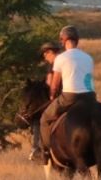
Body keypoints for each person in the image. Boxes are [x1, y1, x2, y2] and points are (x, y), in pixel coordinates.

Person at [40, 26, 96, 160]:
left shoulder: (61, 58)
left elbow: (54, 85)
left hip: (70, 96)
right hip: (90, 97)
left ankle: (46, 152)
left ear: (63, 40)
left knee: (45, 119)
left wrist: (53, 96)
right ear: (77, 40)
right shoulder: (88, 58)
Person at [30, 42, 59, 161]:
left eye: (45, 54)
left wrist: (50, 96)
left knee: (40, 119)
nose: (45, 57)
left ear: (51, 52)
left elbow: (51, 85)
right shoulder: (67, 61)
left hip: (60, 97)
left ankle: (40, 149)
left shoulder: (54, 65)